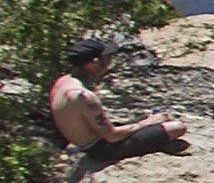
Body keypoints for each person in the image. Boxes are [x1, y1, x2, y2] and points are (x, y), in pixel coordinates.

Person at [49, 36, 188, 165]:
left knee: (160, 117)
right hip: (103, 149)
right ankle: (157, 144)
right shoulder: (82, 96)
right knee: (176, 127)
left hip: (91, 139)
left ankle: (155, 139)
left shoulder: (63, 81)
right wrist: (144, 124)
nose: (110, 60)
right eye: (107, 57)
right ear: (95, 62)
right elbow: (112, 136)